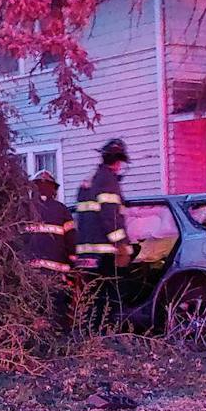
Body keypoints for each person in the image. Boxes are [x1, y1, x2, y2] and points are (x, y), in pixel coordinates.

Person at [74, 138, 132, 331]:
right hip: (106, 252)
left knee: (93, 296)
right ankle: (108, 334)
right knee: (111, 295)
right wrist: (121, 243)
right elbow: (109, 216)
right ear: (117, 162)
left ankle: (91, 334)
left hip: (85, 252)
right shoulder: (108, 180)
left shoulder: (89, 181)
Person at [20, 168, 76, 326]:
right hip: (56, 275)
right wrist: (73, 265)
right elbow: (71, 241)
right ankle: (61, 343)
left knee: (34, 312)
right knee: (57, 313)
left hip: (31, 274)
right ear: (54, 190)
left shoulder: (24, 210)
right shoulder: (62, 210)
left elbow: (18, 242)